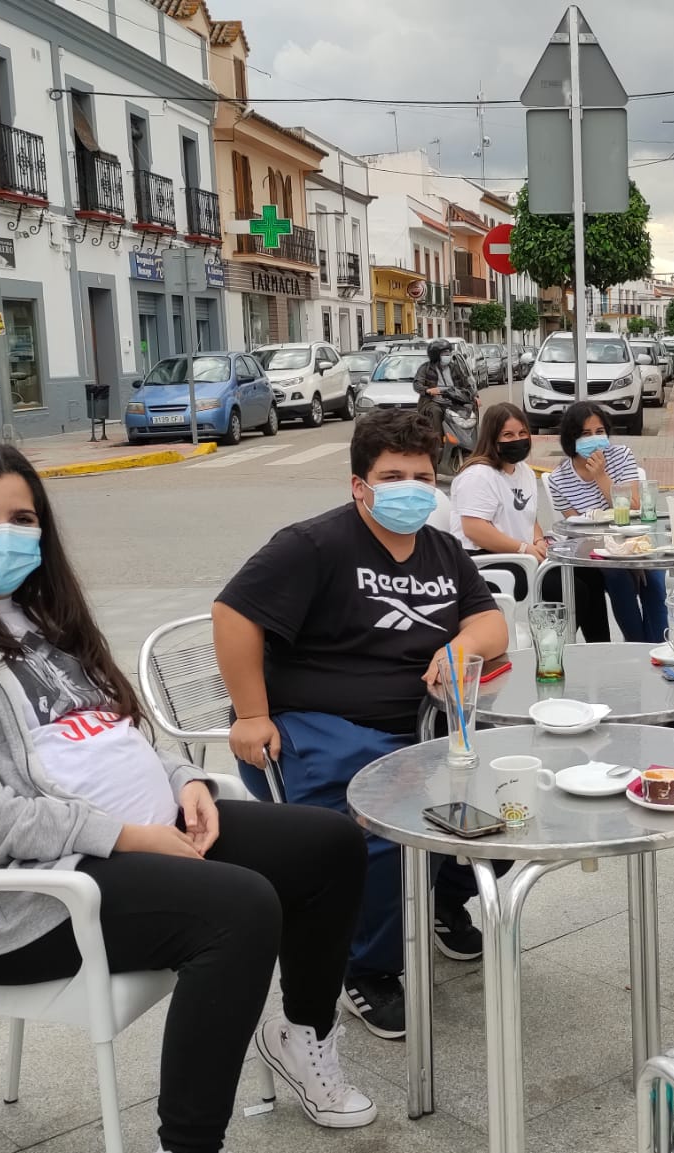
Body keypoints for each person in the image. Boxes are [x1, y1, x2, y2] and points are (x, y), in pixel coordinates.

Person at [0, 444, 377, 1151]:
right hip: (26, 893)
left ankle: (301, 1036)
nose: (4, 535)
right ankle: (187, 1144)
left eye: (21, 518)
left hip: (132, 839)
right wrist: (124, 835)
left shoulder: (40, 618)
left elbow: (114, 731)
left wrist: (184, 781)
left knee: (329, 844)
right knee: (240, 908)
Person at [213, 410, 509, 1041]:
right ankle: (366, 966)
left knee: (512, 801)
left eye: (422, 477)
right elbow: (234, 614)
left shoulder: (441, 549)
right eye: (392, 477)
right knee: (382, 834)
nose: (411, 489)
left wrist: (460, 647)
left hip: (421, 728)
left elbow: (490, 622)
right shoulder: (314, 545)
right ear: (359, 485)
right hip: (320, 729)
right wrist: (252, 714)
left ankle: (439, 898)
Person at [544, 401, 668, 643]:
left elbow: (634, 507)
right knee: (618, 577)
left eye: (599, 432)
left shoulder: (621, 456)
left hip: (636, 538)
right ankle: (638, 646)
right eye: (585, 434)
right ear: (572, 438)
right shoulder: (559, 479)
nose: (594, 439)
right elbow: (575, 528)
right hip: (598, 548)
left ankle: (657, 647)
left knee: (653, 577)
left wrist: (601, 476)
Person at [452, 403, 549, 598]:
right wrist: (523, 549)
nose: (518, 439)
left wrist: (539, 541)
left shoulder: (525, 471)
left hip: (520, 557)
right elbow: (474, 529)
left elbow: (530, 518)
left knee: (583, 577)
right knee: (567, 586)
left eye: (522, 433)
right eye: (508, 435)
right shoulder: (478, 475)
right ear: (492, 438)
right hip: (486, 562)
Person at [412, 337, 473, 470]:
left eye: (449, 352)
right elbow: (417, 384)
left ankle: (467, 445)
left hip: (453, 401)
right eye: (445, 353)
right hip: (432, 401)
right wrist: (428, 390)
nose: (448, 355)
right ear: (436, 355)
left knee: (467, 413)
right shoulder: (425, 368)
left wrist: (475, 396)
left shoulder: (454, 367)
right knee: (436, 412)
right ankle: (438, 445)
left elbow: (466, 383)